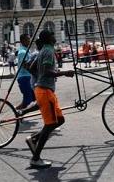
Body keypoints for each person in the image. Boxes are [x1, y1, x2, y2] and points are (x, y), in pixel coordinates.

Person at [26, 30, 74, 168]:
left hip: (44, 89)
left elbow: (32, 67)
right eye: (53, 35)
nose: (55, 36)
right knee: (50, 125)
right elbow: (47, 71)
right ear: (49, 38)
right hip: (45, 91)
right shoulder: (47, 51)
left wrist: (40, 77)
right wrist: (65, 73)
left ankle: (34, 139)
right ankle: (35, 159)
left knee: (60, 120)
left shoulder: (44, 50)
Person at [16, 34, 35, 113]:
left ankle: (17, 111)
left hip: (28, 77)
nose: (29, 41)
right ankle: (19, 113)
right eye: (27, 39)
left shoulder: (26, 50)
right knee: (29, 100)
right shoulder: (23, 52)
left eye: (29, 39)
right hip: (24, 77)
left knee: (30, 99)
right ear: (22, 41)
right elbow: (25, 65)